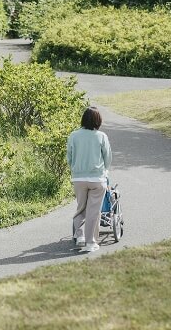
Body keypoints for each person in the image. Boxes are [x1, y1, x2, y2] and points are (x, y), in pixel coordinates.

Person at [67, 106, 112, 252]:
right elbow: (108, 158)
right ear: (97, 121)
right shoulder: (101, 136)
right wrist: (105, 171)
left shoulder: (73, 136)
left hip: (79, 179)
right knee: (93, 211)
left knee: (81, 208)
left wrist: (75, 169)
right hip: (97, 179)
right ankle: (90, 243)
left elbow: (69, 157)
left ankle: (79, 236)